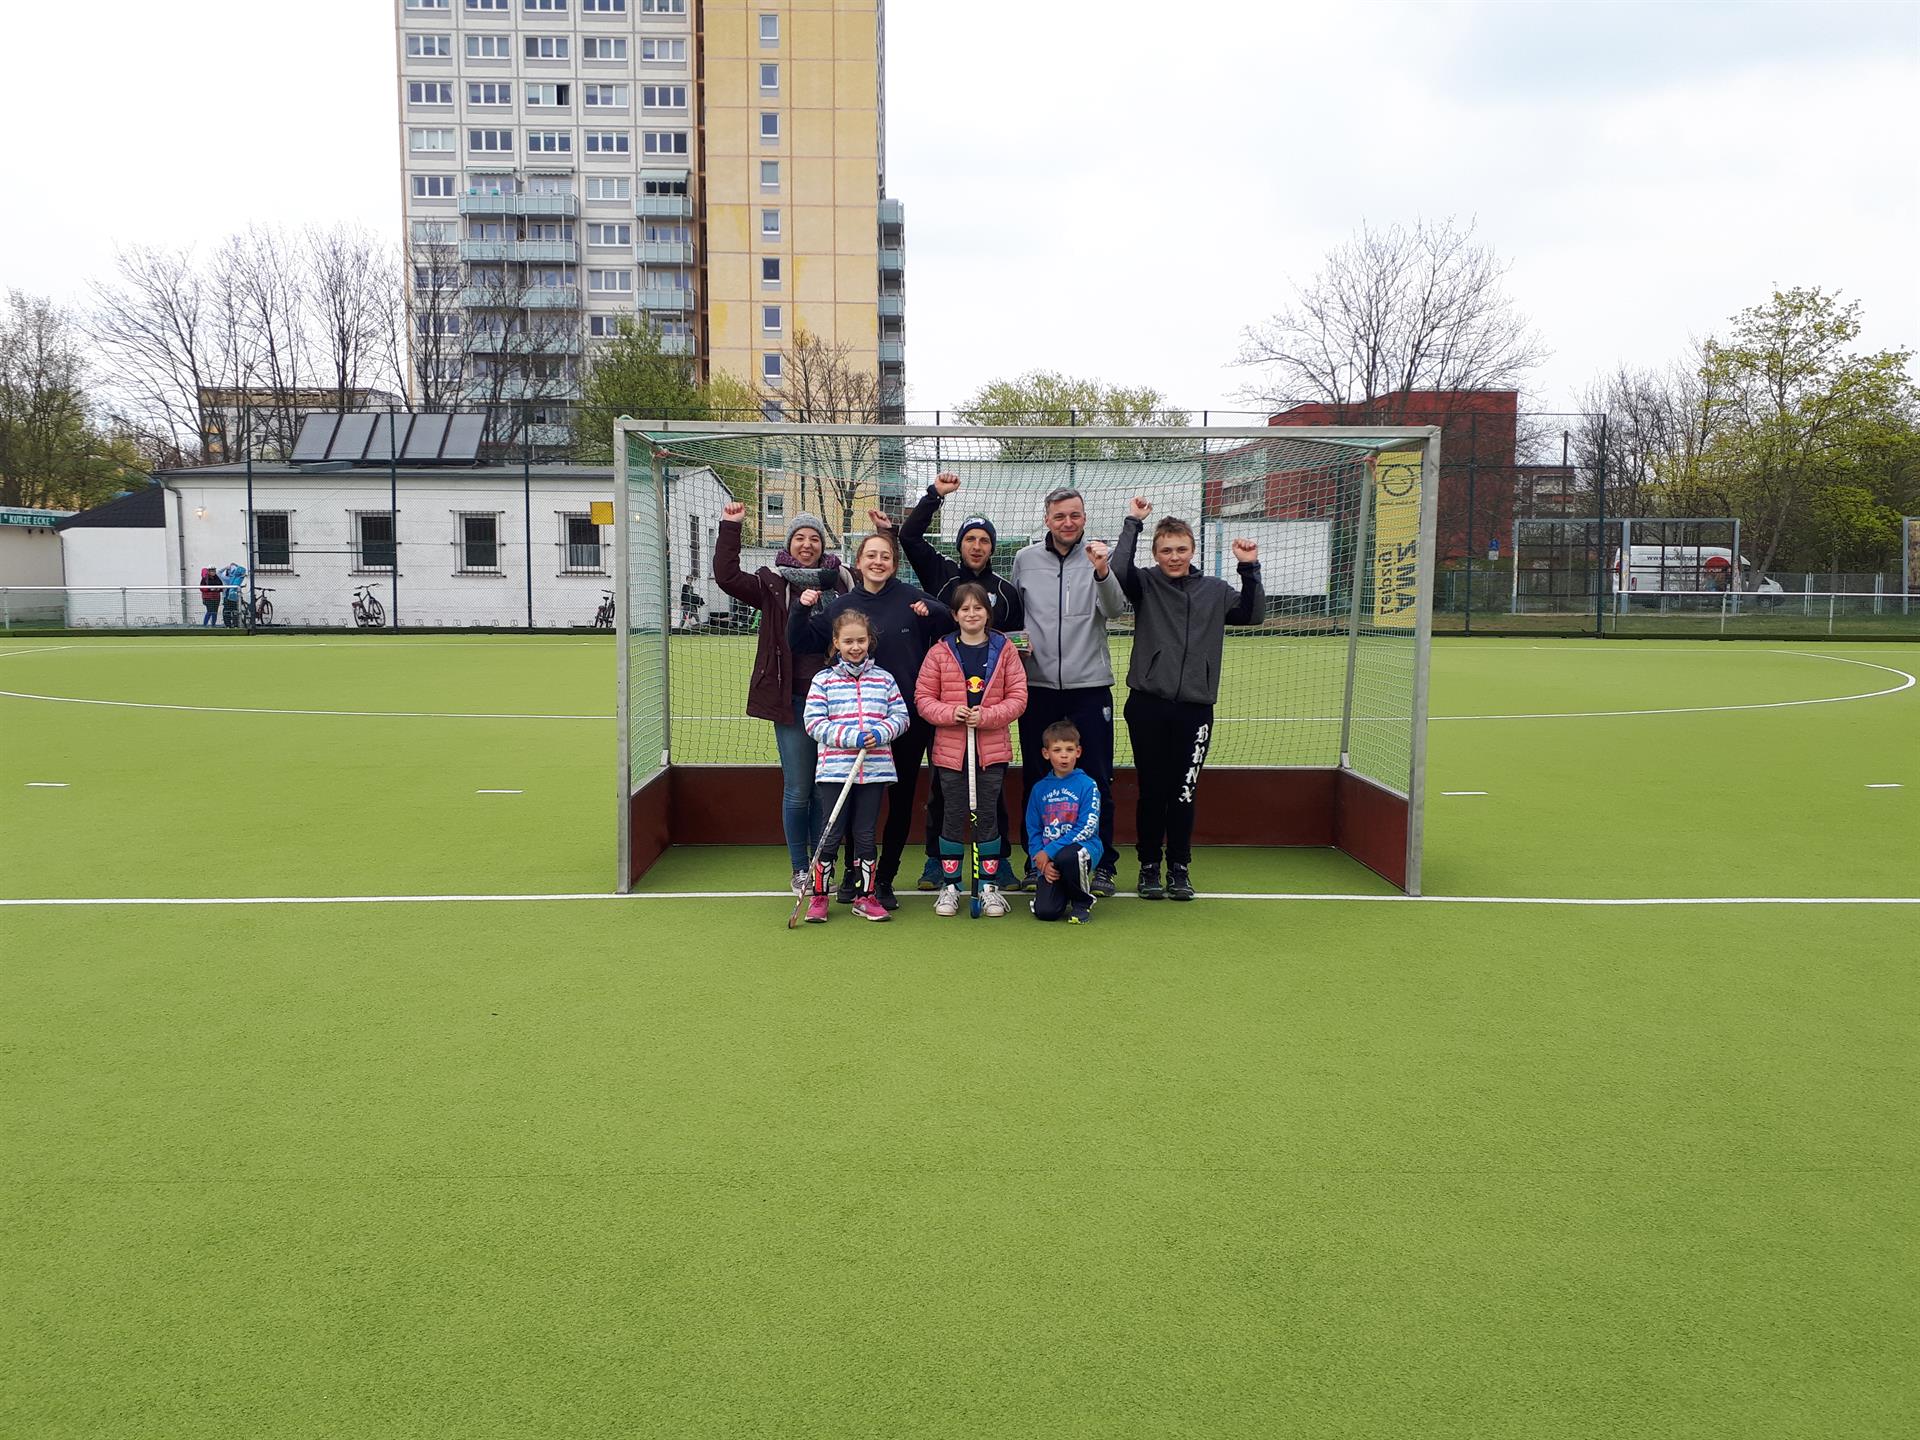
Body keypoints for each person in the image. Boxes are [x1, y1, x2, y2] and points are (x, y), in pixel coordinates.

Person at [870, 471, 1024, 891]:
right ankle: (936, 861)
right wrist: (934, 495)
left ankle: (999, 861)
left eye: (984, 540)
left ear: (992, 547)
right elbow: (910, 536)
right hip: (945, 699)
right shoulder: (941, 574)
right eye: (970, 539)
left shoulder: (1007, 591)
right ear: (960, 544)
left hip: (988, 707)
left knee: (992, 787)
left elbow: (1016, 643)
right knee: (943, 783)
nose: (977, 546)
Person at [790, 530, 952, 910]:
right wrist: (800, 609)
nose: (878, 562)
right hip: (854, 729)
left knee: (900, 802)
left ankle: (884, 879)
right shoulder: (842, 606)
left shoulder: (914, 600)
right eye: (871, 556)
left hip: (903, 722)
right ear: (859, 562)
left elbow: (952, 626)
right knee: (853, 804)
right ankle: (852, 875)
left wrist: (937, 612)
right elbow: (801, 641)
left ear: (894, 564)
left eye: (885, 556)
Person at [1112, 498, 1264, 902]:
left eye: (1181, 549)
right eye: (1166, 550)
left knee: (1183, 791)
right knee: (1152, 791)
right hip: (1147, 705)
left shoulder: (1215, 590)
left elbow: (1252, 615)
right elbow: (1118, 570)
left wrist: (1249, 568)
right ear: (1155, 553)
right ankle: (1148, 867)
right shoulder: (1146, 584)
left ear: (1193, 550)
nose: (1174, 557)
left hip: (1196, 709)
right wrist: (1133, 522)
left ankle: (1179, 868)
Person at [713, 505, 851, 893]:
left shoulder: (842, 581)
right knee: (798, 788)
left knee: (826, 788)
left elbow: (880, 576)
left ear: (823, 545)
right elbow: (726, 576)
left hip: (836, 701)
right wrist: (731, 527)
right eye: (799, 538)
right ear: (789, 544)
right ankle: (800, 869)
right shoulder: (772, 584)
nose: (807, 544)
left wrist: (888, 535)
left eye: (814, 538)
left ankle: (822, 864)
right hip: (792, 700)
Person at [1008, 488, 1126, 897]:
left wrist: (1102, 570)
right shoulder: (1025, 560)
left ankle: (1102, 864)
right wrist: (1018, 646)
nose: (1068, 522)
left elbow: (1116, 609)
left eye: (1075, 515)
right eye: (1060, 516)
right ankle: (1036, 862)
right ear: (1047, 519)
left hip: (1089, 687)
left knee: (1097, 777)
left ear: (1084, 517)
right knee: (1036, 777)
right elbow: (1014, 614)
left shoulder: (1098, 557)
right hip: (1037, 687)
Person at [914, 583, 1028, 917]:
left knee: (988, 816)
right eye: (965, 609)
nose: (972, 614)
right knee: (952, 815)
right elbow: (923, 698)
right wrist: (951, 713)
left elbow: (1018, 696)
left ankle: (988, 887)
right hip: (951, 752)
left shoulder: (1004, 650)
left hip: (991, 751)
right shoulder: (940, 652)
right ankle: (951, 887)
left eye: (978, 608)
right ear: (954, 615)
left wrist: (987, 716)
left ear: (988, 613)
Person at [801, 608, 910, 923]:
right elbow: (813, 723)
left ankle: (866, 897)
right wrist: (851, 737)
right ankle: (819, 896)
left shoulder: (884, 679)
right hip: (835, 771)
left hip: (873, 770)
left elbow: (901, 717)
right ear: (836, 642)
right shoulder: (823, 680)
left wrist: (881, 732)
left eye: (861, 640)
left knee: (865, 834)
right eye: (848, 641)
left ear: (869, 641)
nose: (855, 647)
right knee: (831, 832)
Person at [1024, 720, 1103, 924]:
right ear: (1046, 753)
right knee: (1046, 912)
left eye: (1069, 749)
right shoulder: (1039, 789)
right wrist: (1041, 862)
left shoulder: (1088, 785)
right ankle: (1062, 891)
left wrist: (1050, 851)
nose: (1064, 755)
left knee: (1069, 856)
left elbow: (1087, 827)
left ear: (1078, 752)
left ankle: (1081, 902)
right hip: (1049, 856)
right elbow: (1033, 829)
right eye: (1057, 750)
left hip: (1081, 849)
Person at [219, 562, 247, 627]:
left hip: (230, 596)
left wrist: (226, 567)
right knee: (233, 610)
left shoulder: (227, 578)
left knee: (229, 611)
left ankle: (229, 625)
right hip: (232, 596)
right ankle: (235, 624)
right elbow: (242, 570)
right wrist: (236, 565)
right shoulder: (237, 577)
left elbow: (219, 573)